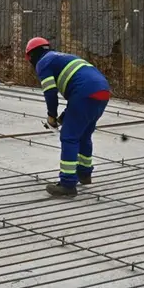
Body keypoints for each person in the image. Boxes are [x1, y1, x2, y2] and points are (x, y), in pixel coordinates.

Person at [24, 38, 111, 197]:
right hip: (103, 90)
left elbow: (50, 92)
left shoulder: (43, 63)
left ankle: (67, 184)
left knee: (69, 137)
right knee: (84, 134)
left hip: (85, 93)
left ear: (30, 56)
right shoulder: (63, 57)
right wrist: (63, 117)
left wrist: (52, 116)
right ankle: (84, 174)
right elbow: (77, 93)